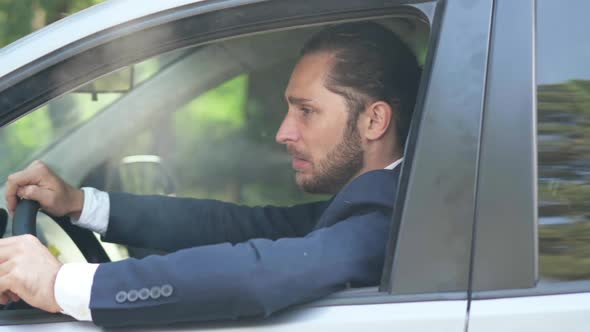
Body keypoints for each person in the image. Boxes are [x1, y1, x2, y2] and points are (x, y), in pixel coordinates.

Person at [1, 22, 420, 327]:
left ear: (373, 121)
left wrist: (61, 283)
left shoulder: (391, 223)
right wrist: (82, 204)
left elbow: (256, 275)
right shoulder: (372, 203)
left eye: (306, 111)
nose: (283, 132)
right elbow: (239, 226)